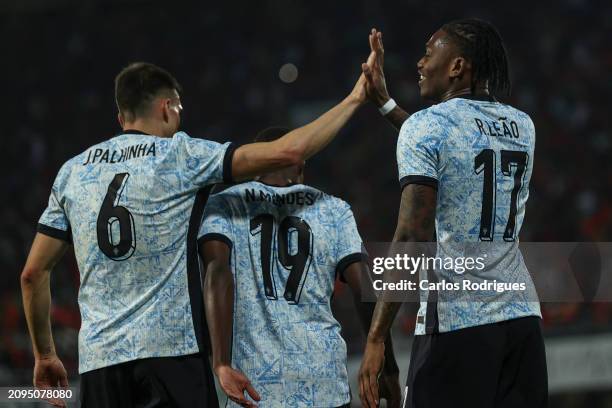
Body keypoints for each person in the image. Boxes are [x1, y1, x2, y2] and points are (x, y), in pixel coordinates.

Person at [20, 60, 372, 407]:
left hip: (100, 360)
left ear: (121, 117)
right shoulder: (181, 156)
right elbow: (289, 150)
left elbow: (33, 275)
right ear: (167, 107)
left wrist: (45, 354)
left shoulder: (72, 173)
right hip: (173, 354)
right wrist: (356, 97)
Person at [358, 20, 547, 408]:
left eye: (429, 52)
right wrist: (387, 106)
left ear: (457, 66)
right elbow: (458, 144)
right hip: (522, 319)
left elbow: (412, 235)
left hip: (457, 322)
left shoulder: (428, 127)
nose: (420, 62)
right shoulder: (522, 126)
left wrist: (377, 337)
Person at [198, 127, 402, 408]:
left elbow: (217, 272)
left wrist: (219, 360)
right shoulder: (333, 208)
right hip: (325, 384)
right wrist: (387, 367)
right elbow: (364, 288)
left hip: (256, 389)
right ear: (300, 164)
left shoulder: (223, 204)